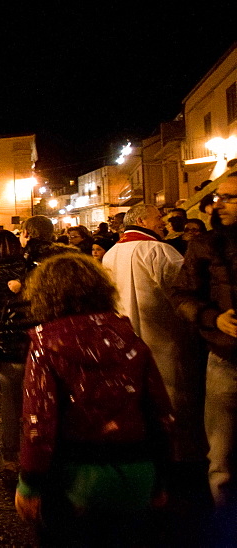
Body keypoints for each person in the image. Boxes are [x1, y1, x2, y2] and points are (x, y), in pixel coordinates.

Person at [16, 253, 174, 545]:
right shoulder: (130, 338)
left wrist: (30, 484)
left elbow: (39, 422)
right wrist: (162, 476)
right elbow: (160, 412)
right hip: (138, 473)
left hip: (74, 481)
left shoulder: (44, 345)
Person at [103, 203, 207, 468]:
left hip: (126, 339)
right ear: (141, 220)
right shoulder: (159, 250)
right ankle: (179, 457)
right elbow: (184, 291)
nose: (163, 222)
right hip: (164, 338)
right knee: (173, 398)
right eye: (157, 217)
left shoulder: (111, 254)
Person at [170, 175, 237, 537]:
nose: (218, 204)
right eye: (217, 198)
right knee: (221, 456)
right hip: (226, 359)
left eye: (229, 198)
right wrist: (215, 318)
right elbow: (181, 295)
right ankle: (225, 524)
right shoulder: (205, 246)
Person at [0, 230, 35, 483]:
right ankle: (36, 453)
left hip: (2, 345)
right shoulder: (30, 270)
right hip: (33, 345)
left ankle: (10, 456)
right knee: (39, 402)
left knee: (10, 403)